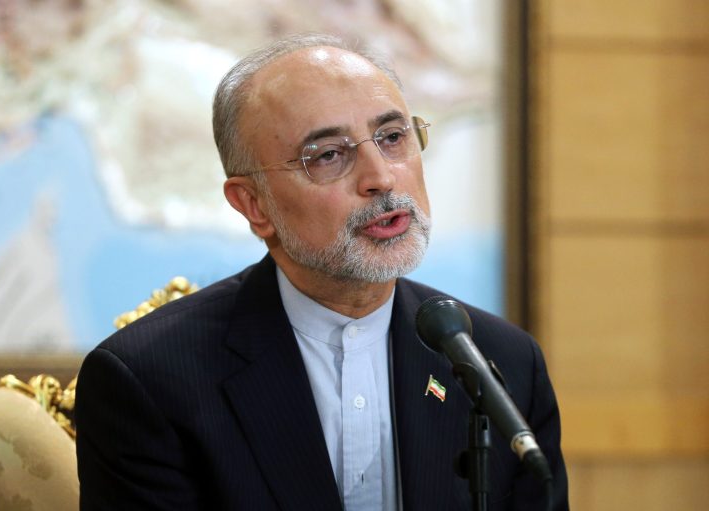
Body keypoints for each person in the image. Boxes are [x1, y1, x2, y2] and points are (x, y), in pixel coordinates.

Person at [75, 33, 569, 510]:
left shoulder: (504, 362)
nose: (380, 177)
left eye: (393, 137)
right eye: (329, 155)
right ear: (253, 205)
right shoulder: (151, 382)